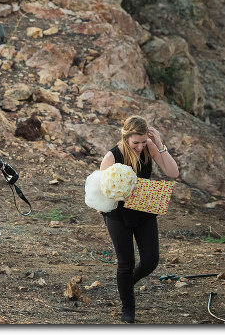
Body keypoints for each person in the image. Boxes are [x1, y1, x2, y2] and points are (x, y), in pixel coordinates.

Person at [99, 115, 179, 323]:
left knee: (151, 261)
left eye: (144, 142)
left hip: (144, 209)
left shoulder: (150, 147)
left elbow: (173, 172)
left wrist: (159, 144)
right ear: (125, 138)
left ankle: (126, 284)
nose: (140, 147)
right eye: (136, 143)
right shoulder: (112, 155)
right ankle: (128, 307)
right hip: (118, 213)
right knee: (125, 262)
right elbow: (101, 189)